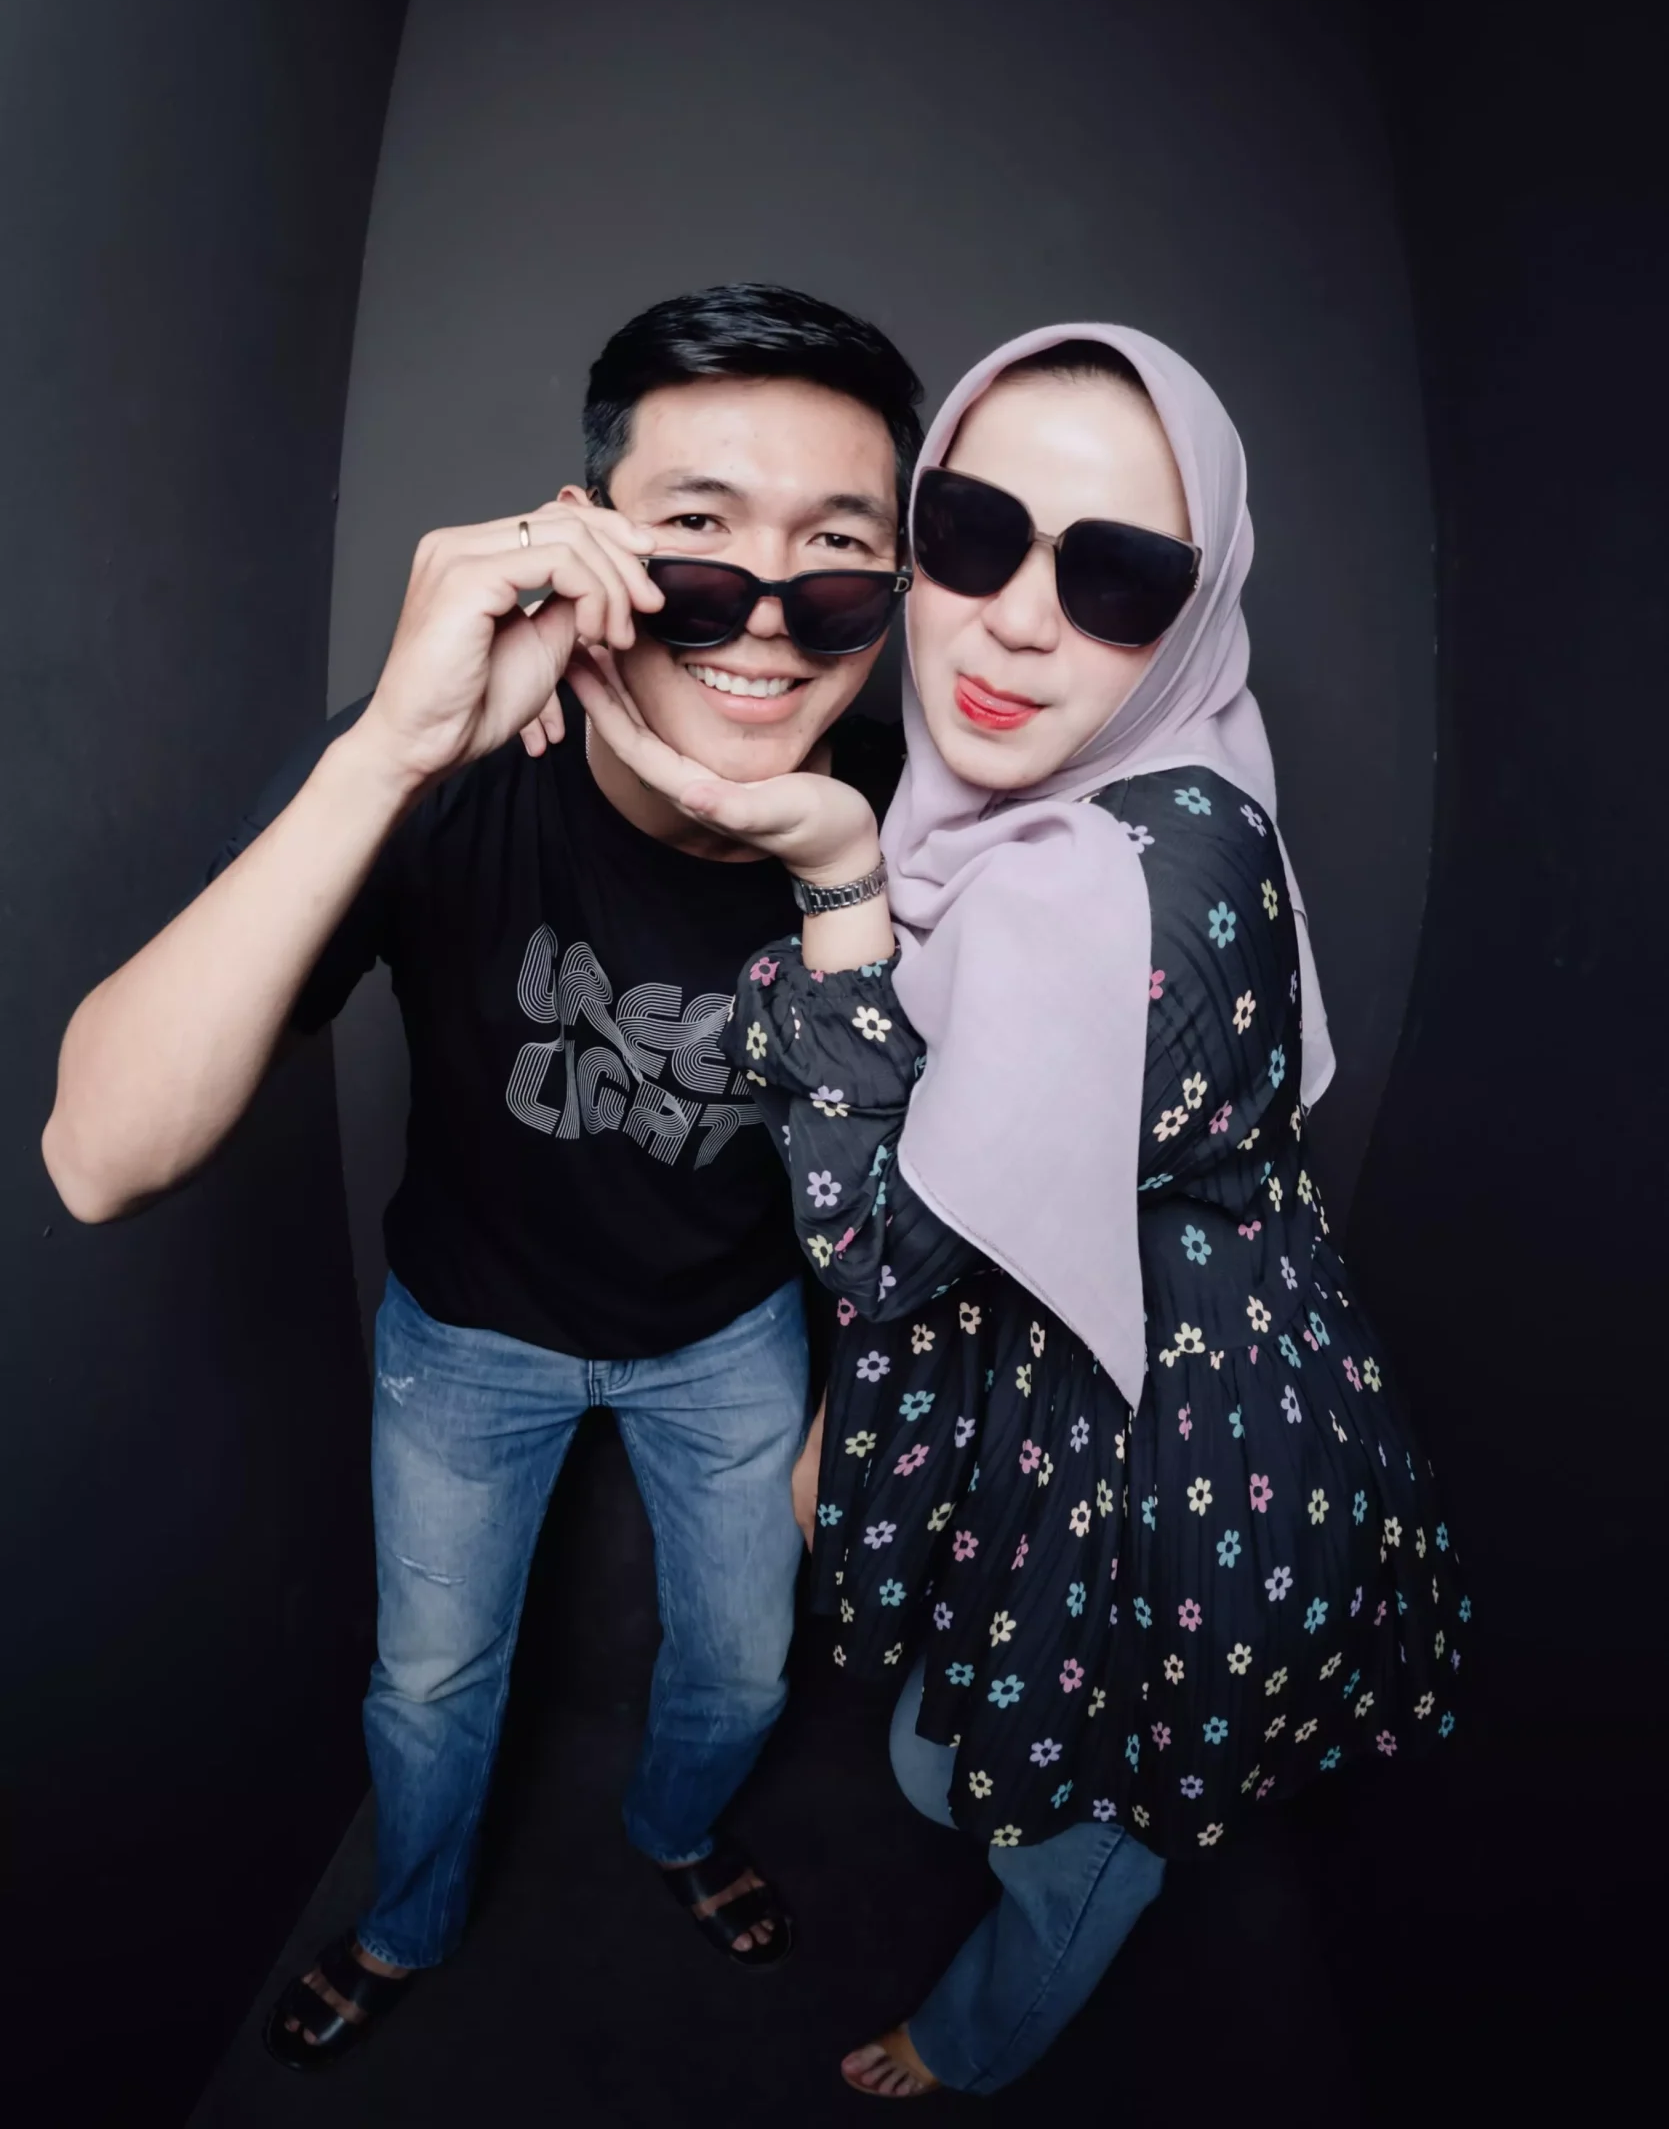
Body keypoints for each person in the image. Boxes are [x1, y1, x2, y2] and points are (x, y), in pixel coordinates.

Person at [567, 322, 1465, 2098]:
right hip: (1066, 1402)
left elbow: (884, 1246)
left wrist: (836, 882)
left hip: (1176, 1482)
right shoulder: (1114, 786)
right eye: (973, 536)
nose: (1019, 622)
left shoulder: (1097, 889)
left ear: (1194, 614)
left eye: (1118, 578)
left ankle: (970, 2042)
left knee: (1077, 1838)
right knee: (951, 1760)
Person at [41, 283, 922, 2069]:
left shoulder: (909, 820)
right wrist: (389, 754)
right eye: (699, 536)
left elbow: (932, 1186)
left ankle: (677, 1836)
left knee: (746, 1667)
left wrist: (847, 1394)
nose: (766, 615)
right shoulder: (435, 766)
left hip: (734, 1339)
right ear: (584, 541)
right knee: (432, 1683)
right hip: (468, 1335)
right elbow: (96, 1158)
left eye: (836, 556)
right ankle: (409, 1916)